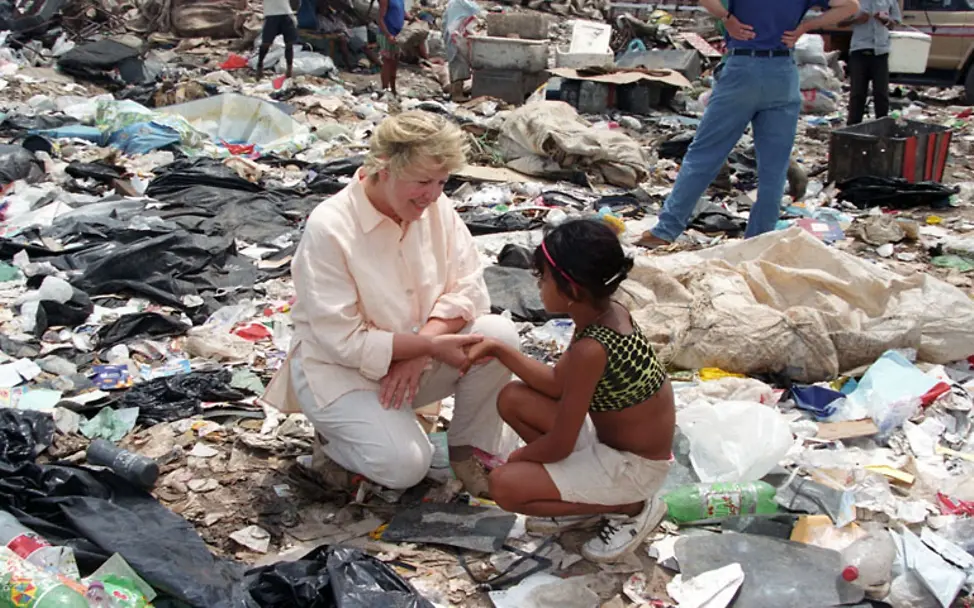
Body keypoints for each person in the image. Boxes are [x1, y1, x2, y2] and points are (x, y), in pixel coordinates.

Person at [261, 111, 520, 497]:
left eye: (442, 182)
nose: (433, 194)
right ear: (383, 168)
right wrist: (425, 346)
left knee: (498, 337)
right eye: (422, 182)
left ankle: (467, 452)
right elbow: (344, 340)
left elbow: (468, 288)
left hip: (414, 362)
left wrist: (422, 348)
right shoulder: (330, 227)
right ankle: (332, 445)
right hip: (342, 373)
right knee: (405, 466)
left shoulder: (436, 208)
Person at [460, 219, 675, 563]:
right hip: (613, 446)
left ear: (571, 289)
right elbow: (558, 384)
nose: (538, 286)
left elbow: (560, 443)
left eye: (543, 278)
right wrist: (498, 349)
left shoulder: (593, 348)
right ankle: (585, 496)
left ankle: (629, 507)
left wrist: (515, 459)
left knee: (504, 484)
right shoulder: (605, 314)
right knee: (513, 398)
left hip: (635, 468)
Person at [636, 0, 858, 249]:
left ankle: (665, 230)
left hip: (742, 68)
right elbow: (850, 6)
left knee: (704, 155)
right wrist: (805, 27)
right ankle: (758, 240)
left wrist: (727, 18)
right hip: (782, 73)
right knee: (774, 168)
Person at [842, 0, 900, 125]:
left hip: (880, 52)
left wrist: (885, 20)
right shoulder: (854, 1)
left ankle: (882, 126)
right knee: (857, 93)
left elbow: (894, 23)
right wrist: (856, 19)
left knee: (881, 93)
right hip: (859, 51)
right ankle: (853, 127)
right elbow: (839, 22)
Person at [257, 0, 299, 80]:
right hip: (271, 15)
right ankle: (259, 66)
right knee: (266, 43)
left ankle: (289, 71)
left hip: (286, 13)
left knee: (289, 44)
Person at [377, 0, 406, 94]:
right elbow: (380, 19)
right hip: (387, 34)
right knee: (387, 62)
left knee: (394, 62)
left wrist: (412, 18)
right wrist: (388, 35)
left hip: (397, 35)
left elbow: (401, 12)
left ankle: (393, 90)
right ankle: (385, 88)